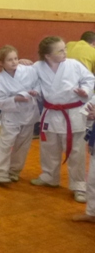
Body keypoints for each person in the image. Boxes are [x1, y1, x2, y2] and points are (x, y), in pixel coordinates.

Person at [31, 36, 94, 203]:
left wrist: (85, 90)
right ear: (48, 55)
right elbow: (32, 82)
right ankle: (49, 176)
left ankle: (79, 185)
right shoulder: (37, 67)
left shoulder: (74, 64)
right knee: (49, 148)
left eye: (64, 48)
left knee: (76, 152)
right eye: (60, 51)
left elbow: (89, 79)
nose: (65, 52)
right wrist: (23, 65)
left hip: (72, 113)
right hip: (51, 113)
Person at [0, 45, 40, 184]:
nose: (14, 62)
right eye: (9, 60)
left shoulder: (28, 70)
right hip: (11, 116)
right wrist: (15, 99)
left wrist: (36, 91)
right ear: (1, 63)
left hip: (28, 113)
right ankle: (0, 172)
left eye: (16, 58)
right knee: (5, 144)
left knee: (22, 145)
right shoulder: (0, 79)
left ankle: (14, 171)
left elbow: (39, 82)